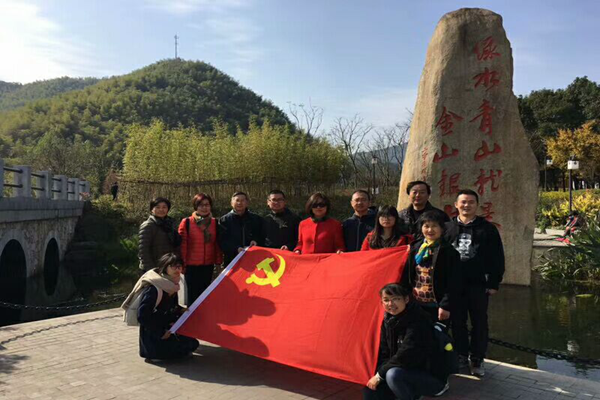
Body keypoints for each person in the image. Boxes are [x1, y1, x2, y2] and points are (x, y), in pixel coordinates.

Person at [445, 189, 504, 377]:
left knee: (479, 322)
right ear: (456, 205)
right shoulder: (447, 228)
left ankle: (477, 357)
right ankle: (461, 354)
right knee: (457, 321)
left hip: (478, 284)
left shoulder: (487, 229)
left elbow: (497, 257)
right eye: (463, 202)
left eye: (471, 202)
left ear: (477, 205)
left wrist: (494, 282)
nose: (466, 205)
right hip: (454, 285)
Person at [363, 284, 449, 400]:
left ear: (406, 299)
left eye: (396, 299)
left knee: (392, 375)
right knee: (370, 389)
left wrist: (380, 375)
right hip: (403, 369)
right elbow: (384, 352)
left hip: (430, 376)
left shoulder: (419, 320)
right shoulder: (388, 321)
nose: (390, 304)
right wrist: (376, 375)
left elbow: (406, 354)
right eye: (386, 300)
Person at [132, 253, 199, 361]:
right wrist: (160, 333)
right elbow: (142, 316)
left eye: (179, 266)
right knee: (180, 352)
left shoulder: (172, 285)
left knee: (192, 344)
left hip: (165, 327)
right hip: (154, 333)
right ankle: (154, 354)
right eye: (173, 266)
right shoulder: (154, 288)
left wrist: (180, 310)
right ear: (164, 267)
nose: (177, 269)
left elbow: (172, 306)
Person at [401, 210, 461, 324]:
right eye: (426, 226)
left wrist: (445, 305)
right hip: (415, 303)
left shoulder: (449, 252)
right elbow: (407, 274)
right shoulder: (415, 248)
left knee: (436, 334)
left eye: (434, 226)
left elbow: (454, 282)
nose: (430, 230)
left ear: (442, 229)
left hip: (437, 306)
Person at [178, 193, 223, 305]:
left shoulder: (214, 222)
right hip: (191, 266)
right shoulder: (187, 222)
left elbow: (217, 245)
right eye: (201, 205)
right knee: (192, 297)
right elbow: (183, 245)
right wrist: (182, 264)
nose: (204, 208)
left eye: (207, 205)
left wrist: (218, 263)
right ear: (195, 206)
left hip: (208, 265)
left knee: (205, 296)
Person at [218, 192, 264, 266]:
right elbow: (222, 241)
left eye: (242, 200)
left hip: (253, 258)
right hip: (232, 259)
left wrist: (255, 240)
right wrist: (236, 249)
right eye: (237, 200)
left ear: (247, 203)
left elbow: (261, 235)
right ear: (231, 203)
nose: (239, 203)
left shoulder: (256, 219)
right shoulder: (224, 220)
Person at [138, 197, 181, 273]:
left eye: (164, 207)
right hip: (153, 268)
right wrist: (152, 270)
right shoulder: (148, 225)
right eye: (157, 207)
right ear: (152, 209)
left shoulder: (171, 224)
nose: (161, 210)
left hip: (168, 266)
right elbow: (143, 252)